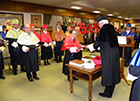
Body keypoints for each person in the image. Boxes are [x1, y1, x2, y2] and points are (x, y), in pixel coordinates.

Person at [89, 16, 120, 98]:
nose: (99, 26)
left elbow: (98, 41)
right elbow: (107, 40)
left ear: (101, 23)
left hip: (108, 54)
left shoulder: (103, 29)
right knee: (113, 71)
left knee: (108, 72)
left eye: (99, 24)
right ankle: (111, 90)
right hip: (115, 52)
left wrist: (92, 47)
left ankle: (107, 93)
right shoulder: (111, 28)